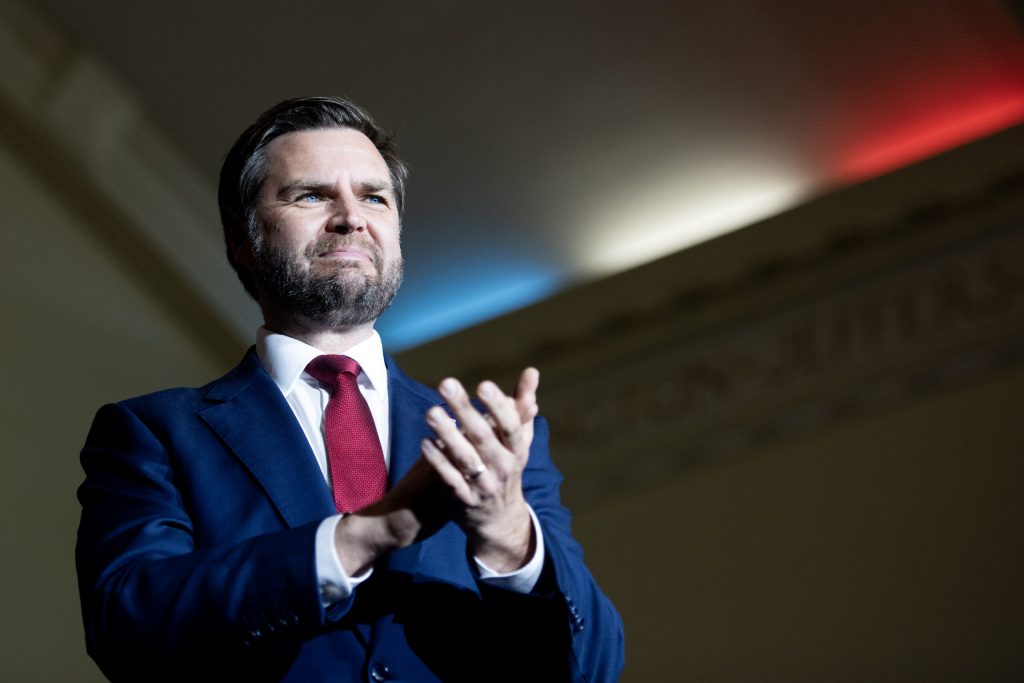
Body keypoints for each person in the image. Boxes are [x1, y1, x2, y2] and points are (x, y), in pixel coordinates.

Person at [75, 96, 625, 682]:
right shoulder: (155, 433)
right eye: (311, 195)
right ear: (242, 240)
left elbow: (593, 667)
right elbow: (127, 625)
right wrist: (361, 538)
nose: (351, 217)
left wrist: (512, 538)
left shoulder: (490, 441)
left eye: (374, 197)